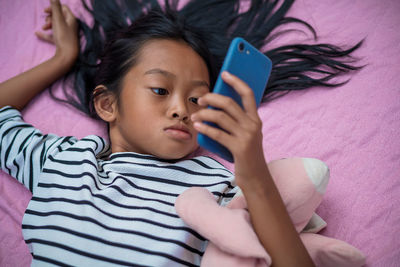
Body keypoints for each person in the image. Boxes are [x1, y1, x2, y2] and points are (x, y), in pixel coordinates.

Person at [0, 0, 361, 266]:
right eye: (160, 90)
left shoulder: (216, 184)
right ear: (108, 105)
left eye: (196, 99)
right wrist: (63, 57)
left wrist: (253, 175)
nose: (181, 110)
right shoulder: (65, 160)